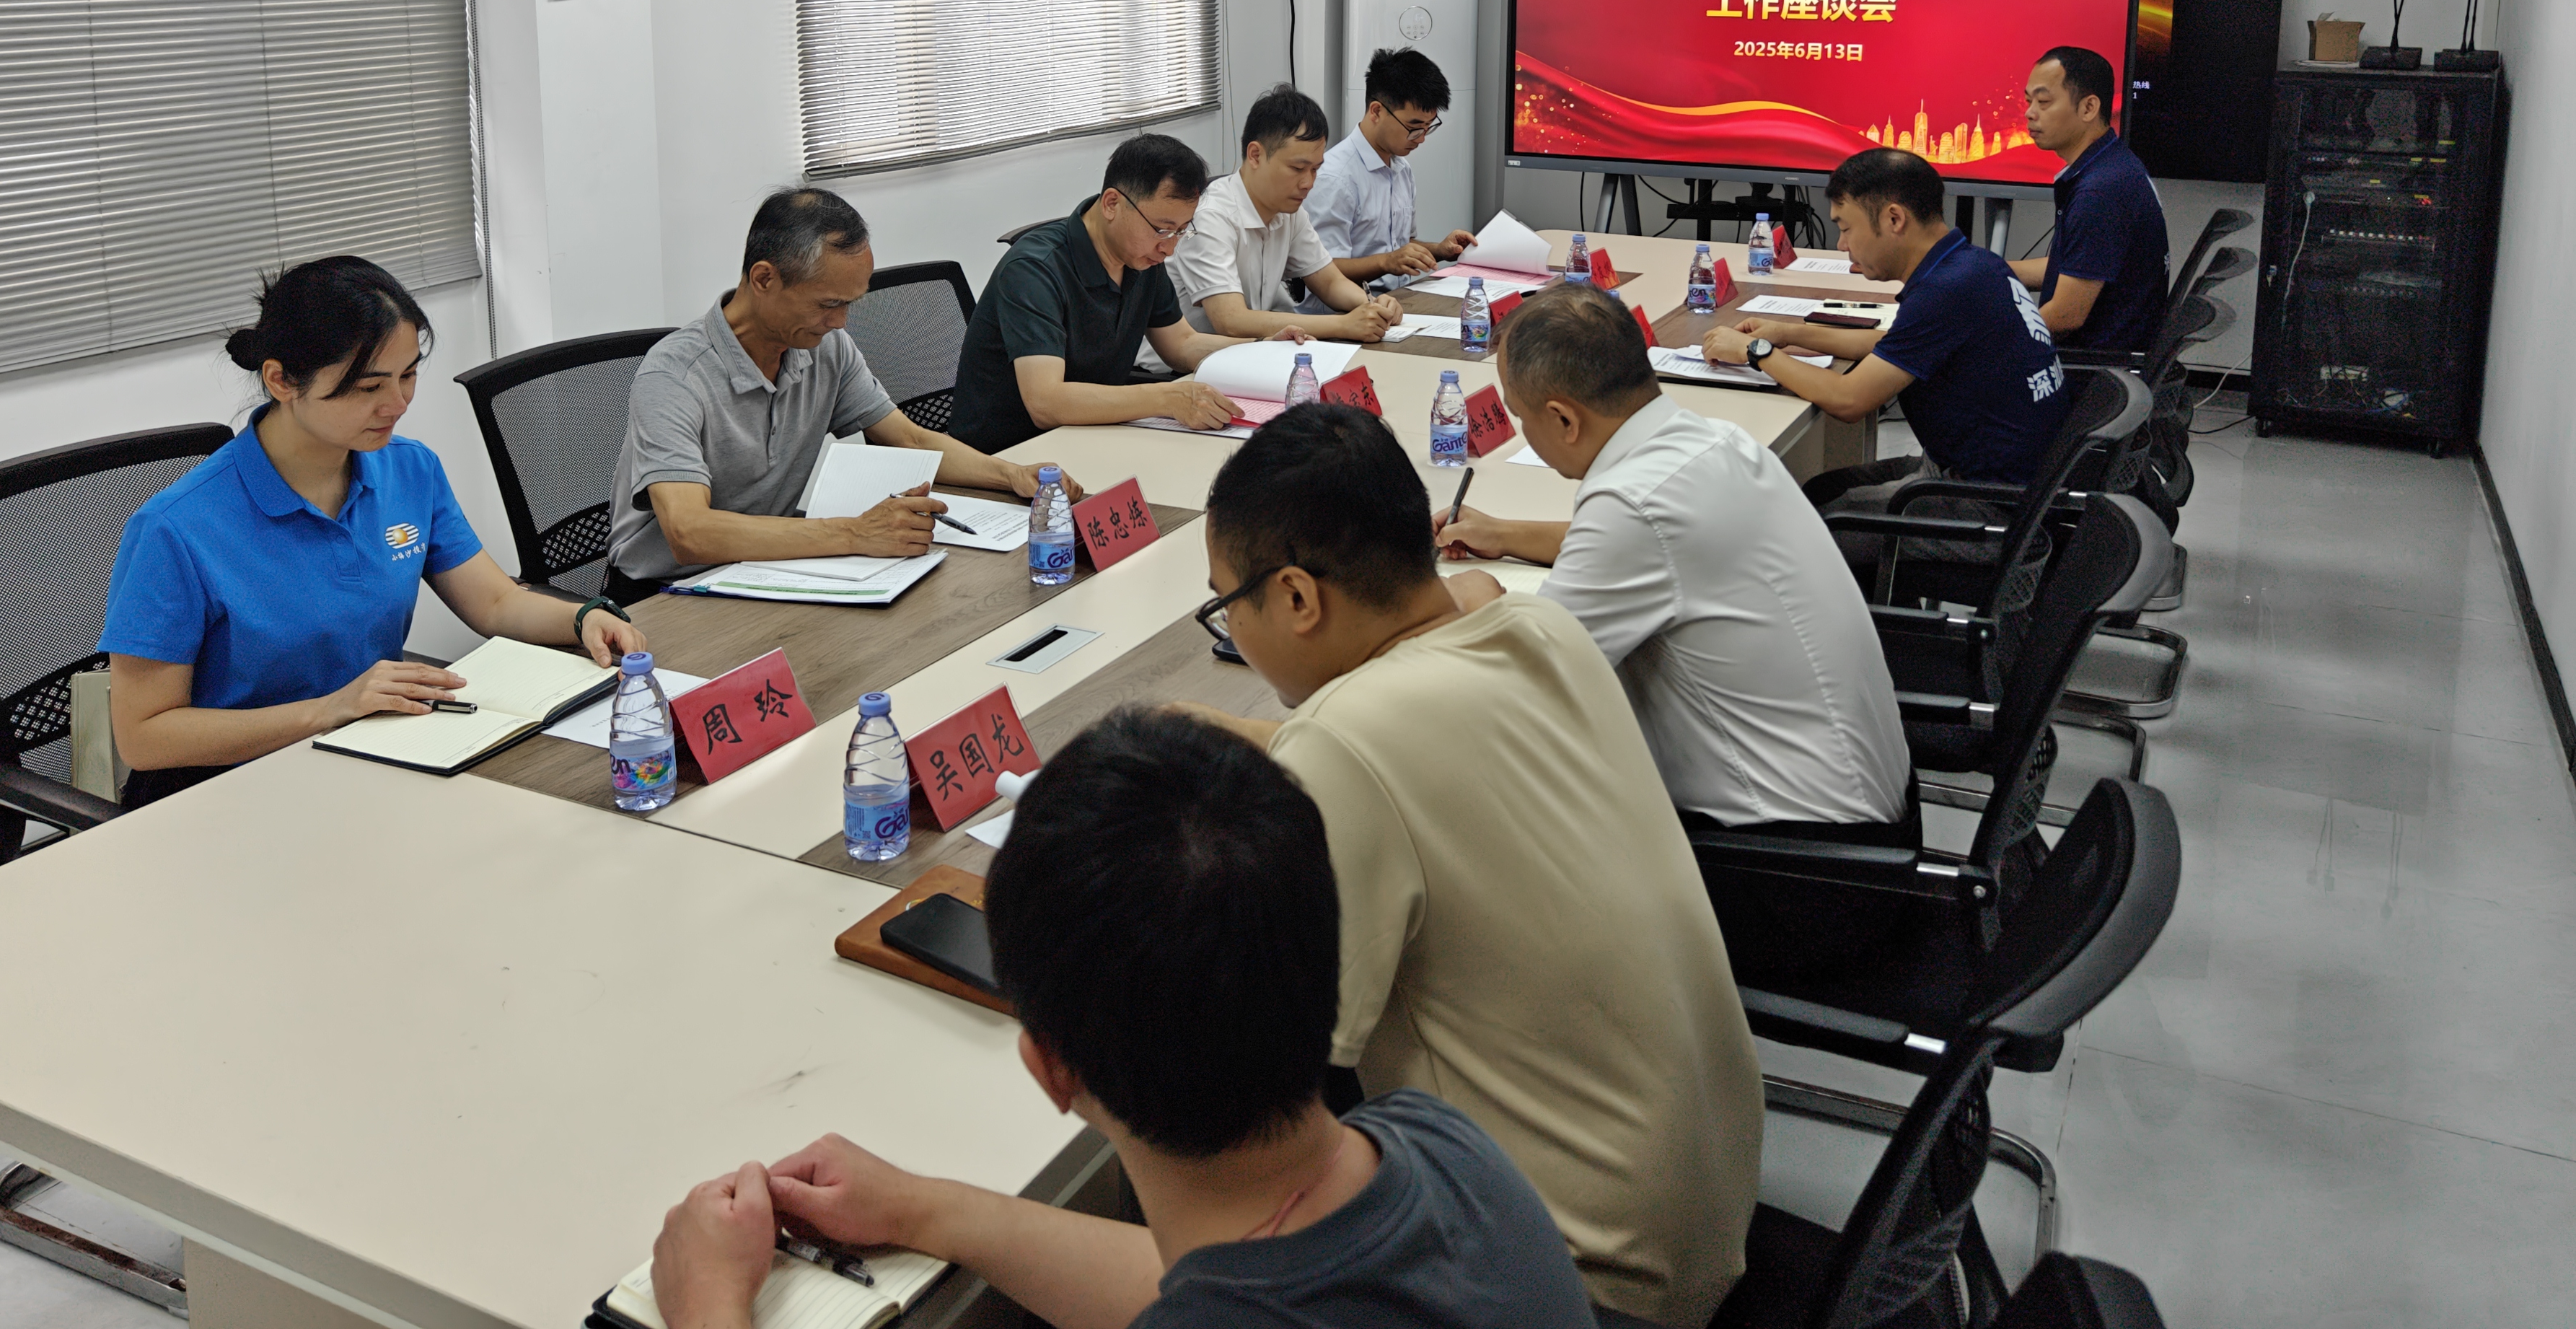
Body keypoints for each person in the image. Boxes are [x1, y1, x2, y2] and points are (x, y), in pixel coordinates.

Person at [644, 707, 1598, 1329]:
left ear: (1050, 1067)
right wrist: (927, 1209)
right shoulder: (1443, 1148)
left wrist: (710, 1304)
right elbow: (1198, 1278)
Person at [1185, 404, 1761, 1329]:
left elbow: (1276, 1067)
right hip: (1705, 1203)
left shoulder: (1347, 742)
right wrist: (1243, 738)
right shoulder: (1541, 630)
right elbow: (1410, 729)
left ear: (1295, 597)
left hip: (1580, 1278)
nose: (1232, 629)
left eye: (1226, 603)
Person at [1433, 286, 1914, 973]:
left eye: (1519, 413)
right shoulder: (1711, 442)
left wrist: (1475, 601)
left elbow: (1521, 685)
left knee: (1488, 836)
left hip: (1799, 881)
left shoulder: (1634, 505)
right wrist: (1505, 534)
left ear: (1563, 419)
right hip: (1867, 835)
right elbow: (1644, 543)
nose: (1519, 427)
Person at [100, 258, 647, 808]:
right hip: (224, 795)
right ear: (281, 381)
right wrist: (330, 710)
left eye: (408, 375)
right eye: (368, 387)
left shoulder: (409, 469)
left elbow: (496, 601)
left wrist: (581, 618)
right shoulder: (176, 529)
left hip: (369, 757)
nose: (398, 404)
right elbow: (144, 737)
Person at [606, 188, 1074, 590]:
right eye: (828, 304)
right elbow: (689, 532)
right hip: (663, 593)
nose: (841, 322)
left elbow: (908, 438)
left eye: (850, 304)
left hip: (768, 567)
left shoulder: (825, 348)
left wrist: (1011, 475)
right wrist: (855, 533)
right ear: (764, 279)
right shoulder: (674, 376)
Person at [1701, 144, 2072, 491]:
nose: (1841, 245)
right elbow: (1890, 344)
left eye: (1846, 229)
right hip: (2011, 478)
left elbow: (1849, 400)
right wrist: (1787, 333)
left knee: (1812, 514)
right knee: (1819, 491)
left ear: (1894, 219)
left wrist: (1756, 351)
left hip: (1986, 501)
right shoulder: (1972, 263)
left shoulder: (1944, 291)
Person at [945, 133, 1283, 456]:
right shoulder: (1034, 270)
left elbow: (1182, 344)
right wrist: (1166, 398)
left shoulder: (1141, 257)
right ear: (1112, 204)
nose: (1169, 248)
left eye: (1182, 231)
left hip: (1090, 436)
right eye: (1162, 229)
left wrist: (1263, 350)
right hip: (1007, 457)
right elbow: (1046, 403)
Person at [1163, 86, 1401, 348]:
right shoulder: (1212, 217)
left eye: (1315, 169)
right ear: (1255, 155)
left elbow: (1330, 282)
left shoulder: (1289, 210)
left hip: (1253, 352)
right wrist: (1343, 325)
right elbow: (1231, 321)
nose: (1308, 183)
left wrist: (1373, 306)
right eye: (1298, 168)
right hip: (1185, 365)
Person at [2009, 45, 2171, 359]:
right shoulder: (2112, 163)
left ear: (2088, 108)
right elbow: (2075, 267)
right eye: (2029, 101)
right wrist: (1989, 271)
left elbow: (2064, 317)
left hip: (2088, 368)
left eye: (2044, 102)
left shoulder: (2100, 193)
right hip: (2106, 358)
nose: (2029, 113)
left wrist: (1983, 334)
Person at [1302, 47, 1478, 285]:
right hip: (1351, 306)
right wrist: (1386, 262)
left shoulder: (1401, 170)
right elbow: (1320, 268)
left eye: (1428, 128)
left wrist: (1440, 250)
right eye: (1413, 128)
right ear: (1376, 111)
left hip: (1399, 300)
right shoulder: (1335, 178)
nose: (1421, 139)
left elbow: (1399, 246)